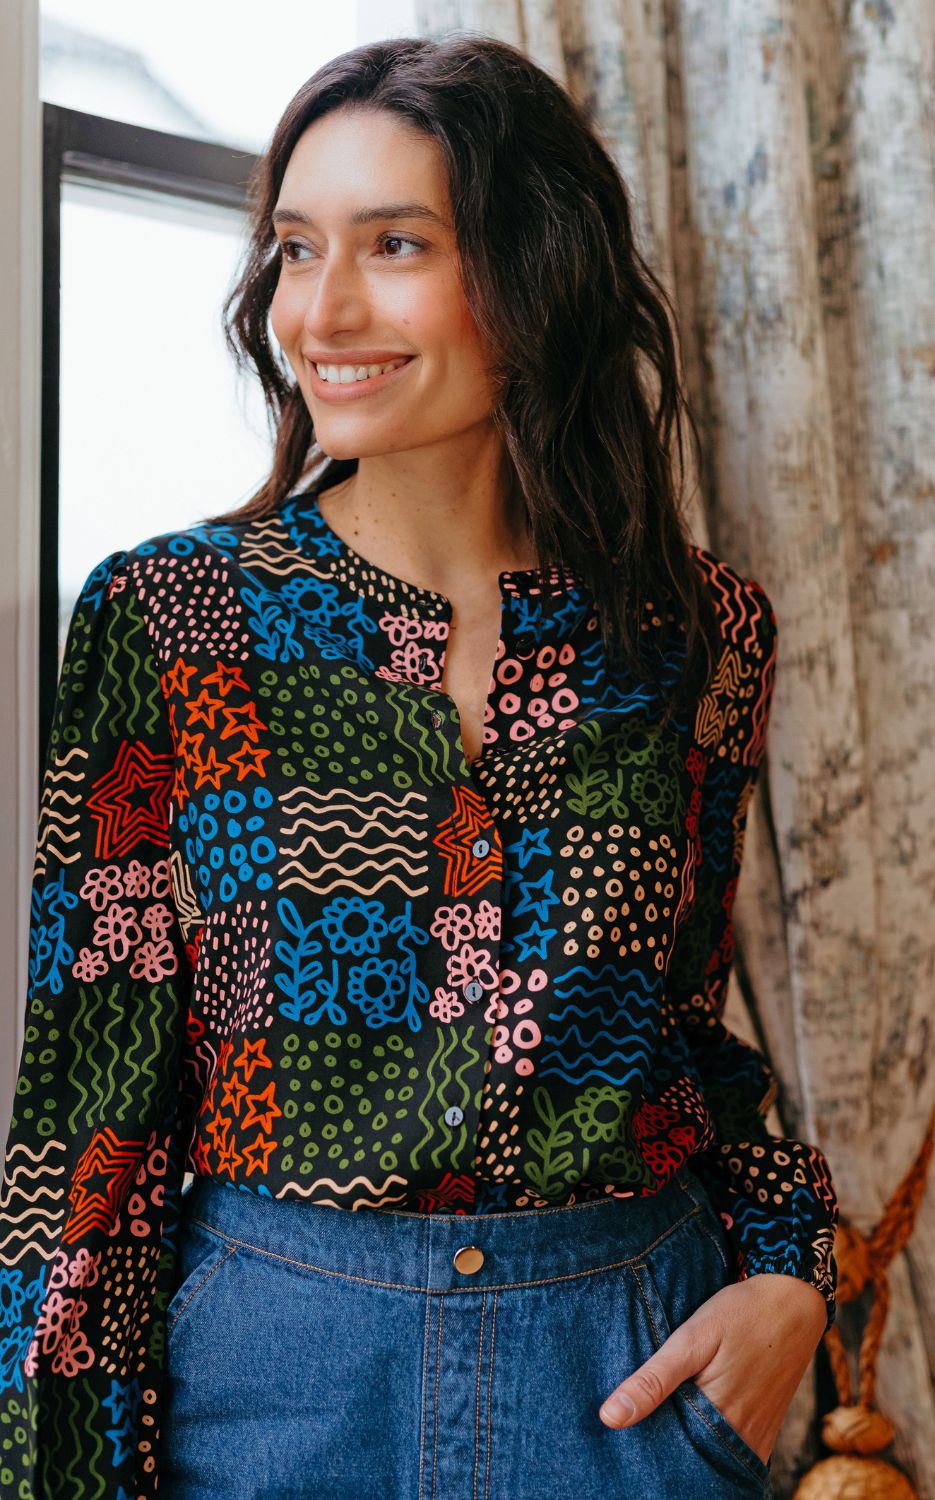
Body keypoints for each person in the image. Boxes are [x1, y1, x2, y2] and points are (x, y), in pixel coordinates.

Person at [0, 33, 838, 1500]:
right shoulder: (173, 619)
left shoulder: (697, 635)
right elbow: (93, 1114)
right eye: (295, 249)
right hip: (272, 1386)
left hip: (625, 1372)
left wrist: (793, 1277)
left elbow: (688, 1037)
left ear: (534, 275)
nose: (321, 310)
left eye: (395, 245)